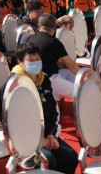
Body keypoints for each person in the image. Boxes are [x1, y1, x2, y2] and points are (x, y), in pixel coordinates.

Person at [9, 44, 78, 173]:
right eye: (31, 60)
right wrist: (39, 141)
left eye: (38, 59)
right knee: (49, 160)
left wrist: (51, 134)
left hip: (46, 134)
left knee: (70, 156)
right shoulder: (13, 84)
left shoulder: (44, 79)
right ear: (20, 62)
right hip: (23, 139)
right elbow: (13, 121)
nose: (35, 63)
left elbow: (53, 110)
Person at [27, 14, 79, 100]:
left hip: (35, 78)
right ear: (55, 27)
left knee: (68, 73)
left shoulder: (30, 38)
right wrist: (86, 78)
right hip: (49, 79)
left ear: (39, 26)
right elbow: (72, 66)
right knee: (80, 92)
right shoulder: (54, 42)